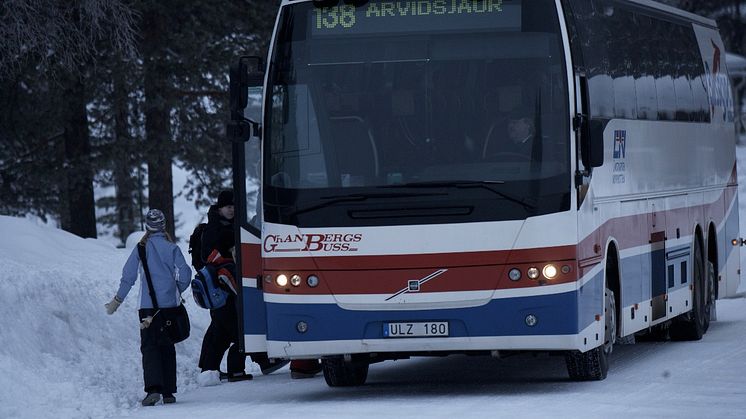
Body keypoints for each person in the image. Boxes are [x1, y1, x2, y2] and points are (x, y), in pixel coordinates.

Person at [197, 190, 289, 382]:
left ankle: (208, 369)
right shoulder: (213, 230)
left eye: (233, 206)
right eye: (227, 206)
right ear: (219, 207)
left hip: (230, 286)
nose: (231, 210)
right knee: (239, 328)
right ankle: (241, 368)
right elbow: (209, 259)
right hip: (221, 288)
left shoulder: (233, 225)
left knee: (221, 330)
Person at [104, 209, 191, 406]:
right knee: (167, 347)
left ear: (147, 227)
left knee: (150, 347)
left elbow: (128, 277)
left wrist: (117, 300)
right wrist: (176, 290)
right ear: (163, 225)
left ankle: (153, 389)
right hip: (170, 306)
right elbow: (185, 273)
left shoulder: (140, 248)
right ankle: (169, 392)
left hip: (147, 309)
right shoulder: (172, 248)